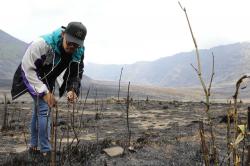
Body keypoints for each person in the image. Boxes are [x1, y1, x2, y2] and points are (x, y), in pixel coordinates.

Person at [11, 22, 87, 156]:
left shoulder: (78, 51)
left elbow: (76, 73)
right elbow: (27, 69)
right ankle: (45, 151)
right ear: (63, 34)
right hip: (32, 76)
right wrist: (44, 92)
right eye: (70, 42)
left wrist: (72, 89)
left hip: (49, 78)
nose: (72, 47)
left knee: (39, 111)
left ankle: (34, 147)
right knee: (44, 108)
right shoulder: (42, 44)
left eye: (76, 45)